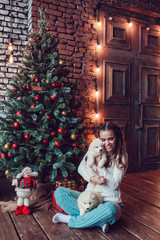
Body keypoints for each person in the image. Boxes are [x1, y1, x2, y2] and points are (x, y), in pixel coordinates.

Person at [52, 121, 128, 233]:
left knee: (110, 210)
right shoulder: (95, 149)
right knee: (60, 193)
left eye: (111, 139)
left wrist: (100, 167)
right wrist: (92, 179)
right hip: (89, 199)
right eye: (103, 139)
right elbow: (81, 168)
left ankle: (69, 219)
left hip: (110, 202)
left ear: (117, 138)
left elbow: (114, 184)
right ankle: (99, 221)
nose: (107, 143)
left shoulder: (121, 157)